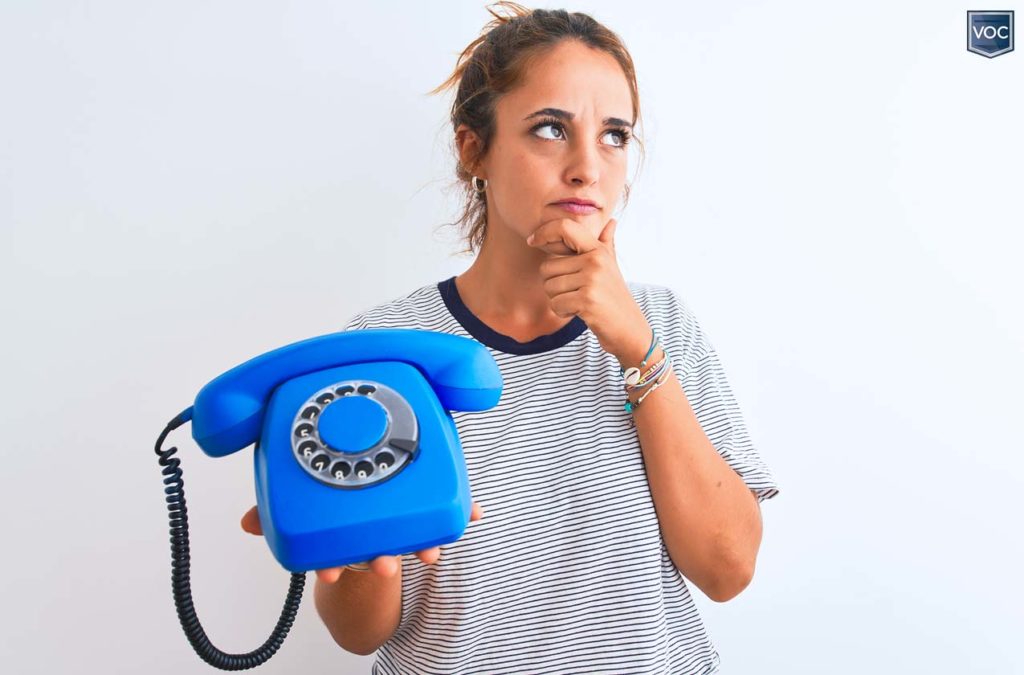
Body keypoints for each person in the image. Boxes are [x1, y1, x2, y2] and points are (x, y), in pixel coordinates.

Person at [242, 3, 780, 672]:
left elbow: (729, 568)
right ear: (474, 149)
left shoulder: (664, 325)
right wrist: (358, 554)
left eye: (615, 135)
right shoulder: (381, 352)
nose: (588, 166)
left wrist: (637, 351)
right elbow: (360, 633)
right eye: (551, 128)